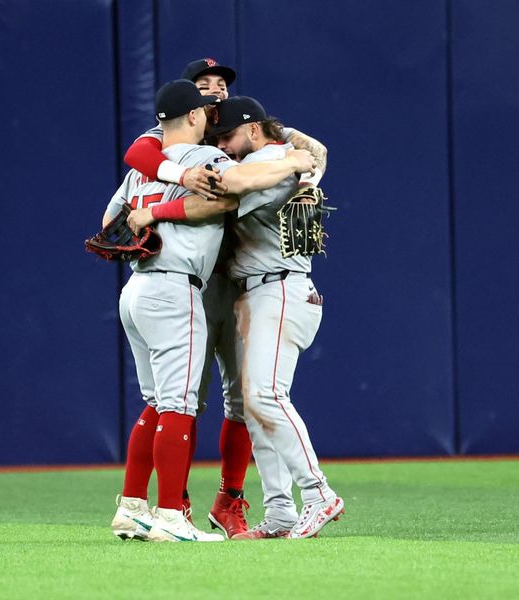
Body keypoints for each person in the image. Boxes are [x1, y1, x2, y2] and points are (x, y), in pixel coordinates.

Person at [122, 57, 328, 538]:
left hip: (239, 281)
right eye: (203, 85)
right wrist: (176, 178)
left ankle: (229, 500)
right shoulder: (174, 142)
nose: (214, 90)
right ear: (191, 104)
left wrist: (300, 166)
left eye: (220, 83)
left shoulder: (245, 128)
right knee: (182, 398)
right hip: (198, 280)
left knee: (243, 398)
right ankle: (177, 505)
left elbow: (315, 150)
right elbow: (137, 154)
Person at [211, 96, 344, 540]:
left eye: (226, 136)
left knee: (265, 396)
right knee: (255, 404)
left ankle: (319, 493)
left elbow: (232, 183)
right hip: (265, 291)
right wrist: (293, 142)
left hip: (279, 287)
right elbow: (317, 151)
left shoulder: (271, 158)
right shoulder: (290, 153)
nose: (223, 147)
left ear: (252, 131)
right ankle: (281, 511)